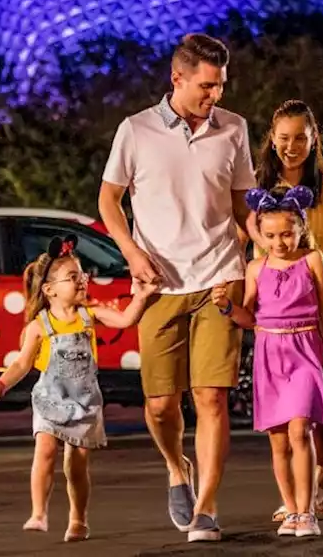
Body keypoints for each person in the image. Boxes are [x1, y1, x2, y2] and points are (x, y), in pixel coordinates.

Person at [97, 33, 256, 543]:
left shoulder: (234, 129)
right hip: (158, 286)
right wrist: (131, 251)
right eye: (207, 86)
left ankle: (206, 508)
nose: (216, 96)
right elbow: (108, 201)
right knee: (162, 406)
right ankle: (176, 468)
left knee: (211, 398)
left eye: (221, 86)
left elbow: (242, 208)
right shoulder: (136, 131)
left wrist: (269, 255)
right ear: (178, 78)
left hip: (219, 279)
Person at [0, 234, 158, 542]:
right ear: (49, 290)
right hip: (50, 399)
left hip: (84, 401)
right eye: (73, 277)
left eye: (83, 275)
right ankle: (38, 512)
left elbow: (126, 320)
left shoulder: (91, 315)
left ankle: (78, 518)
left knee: (77, 463)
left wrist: (142, 296)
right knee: (44, 450)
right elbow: (21, 364)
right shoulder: (39, 325)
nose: (82, 280)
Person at [248, 99, 323, 519]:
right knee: (284, 403)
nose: (292, 146)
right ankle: (296, 494)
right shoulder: (258, 182)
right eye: (283, 138)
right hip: (277, 304)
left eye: (301, 137)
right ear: (271, 140)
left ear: (315, 139)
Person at [214, 185, 323, 538]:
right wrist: (225, 306)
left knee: (301, 430)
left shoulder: (312, 260)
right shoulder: (256, 267)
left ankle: (308, 510)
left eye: (286, 234)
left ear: (300, 228)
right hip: (270, 353)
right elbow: (249, 317)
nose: (279, 242)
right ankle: (292, 510)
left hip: (305, 348)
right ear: (261, 234)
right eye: (270, 235)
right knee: (279, 439)